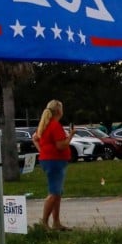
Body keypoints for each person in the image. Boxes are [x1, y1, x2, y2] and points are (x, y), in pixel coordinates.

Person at [34, 99, 76, 231]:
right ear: (59, 111)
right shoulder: (54, 125)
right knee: (54, 193)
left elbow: (35, 138)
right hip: (55, 161)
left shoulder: (44, 125)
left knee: (57, 193)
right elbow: (60, 145)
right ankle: (45, 223)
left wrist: (43, 151)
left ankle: (56, 222)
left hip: (49, 160)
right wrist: (71, 136)